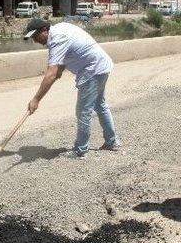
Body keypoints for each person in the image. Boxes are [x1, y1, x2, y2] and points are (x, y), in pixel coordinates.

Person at [24, 18, 120, 158]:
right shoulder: (61, 27)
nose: (35, 40)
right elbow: (66, 56)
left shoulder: (57, 39)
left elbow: (50, 74)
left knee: (83, 112)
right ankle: (112, 141)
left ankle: (80, 150)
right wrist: (59, 71)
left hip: (92, 69)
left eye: (35, 36)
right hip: (101, 65)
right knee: (100, 105)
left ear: (44, 30)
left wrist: (36, 99)